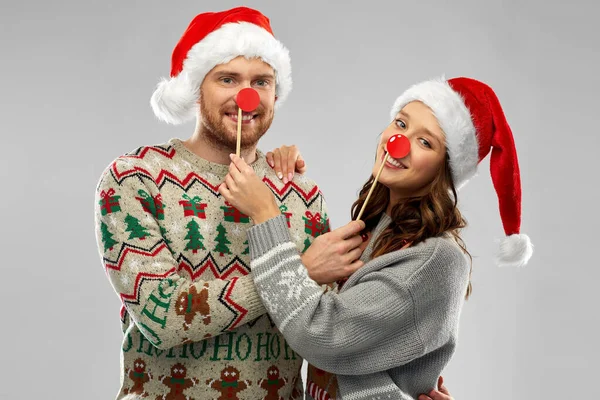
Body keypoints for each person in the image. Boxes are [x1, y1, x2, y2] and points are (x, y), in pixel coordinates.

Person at [220, 76, 533, 399]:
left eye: (425, 142)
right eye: (400, 123)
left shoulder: (436, 258)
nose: (398, 142)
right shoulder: (377, 228)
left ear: (446, 167)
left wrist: (265, 214)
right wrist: (281, 174)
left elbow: (324, 334)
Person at [94, 7, 351, 399]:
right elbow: (162, 318)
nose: (246, 96)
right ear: (196, 88)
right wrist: (295, 273)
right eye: (227, 79)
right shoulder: (134, 179)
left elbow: (325, 337)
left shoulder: (303, 194)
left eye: (261, 81)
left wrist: (408, 385)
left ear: (275, 94)